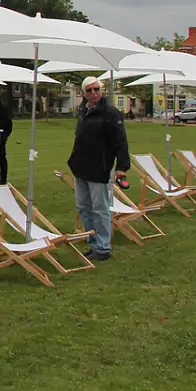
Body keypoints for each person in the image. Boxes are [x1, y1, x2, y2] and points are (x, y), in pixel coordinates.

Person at [67, 75, 130, 262]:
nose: (93, 93)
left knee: (100, 208)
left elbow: (121, 141)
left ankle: (103, 247)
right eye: (89, 90)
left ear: (101, 91)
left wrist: (122, 167)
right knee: (83, 207)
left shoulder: (110, 113)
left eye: (96, 89)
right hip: (81, 167)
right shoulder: (84, 111)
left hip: (100, 167)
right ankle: (93, 241)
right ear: (84, 93)